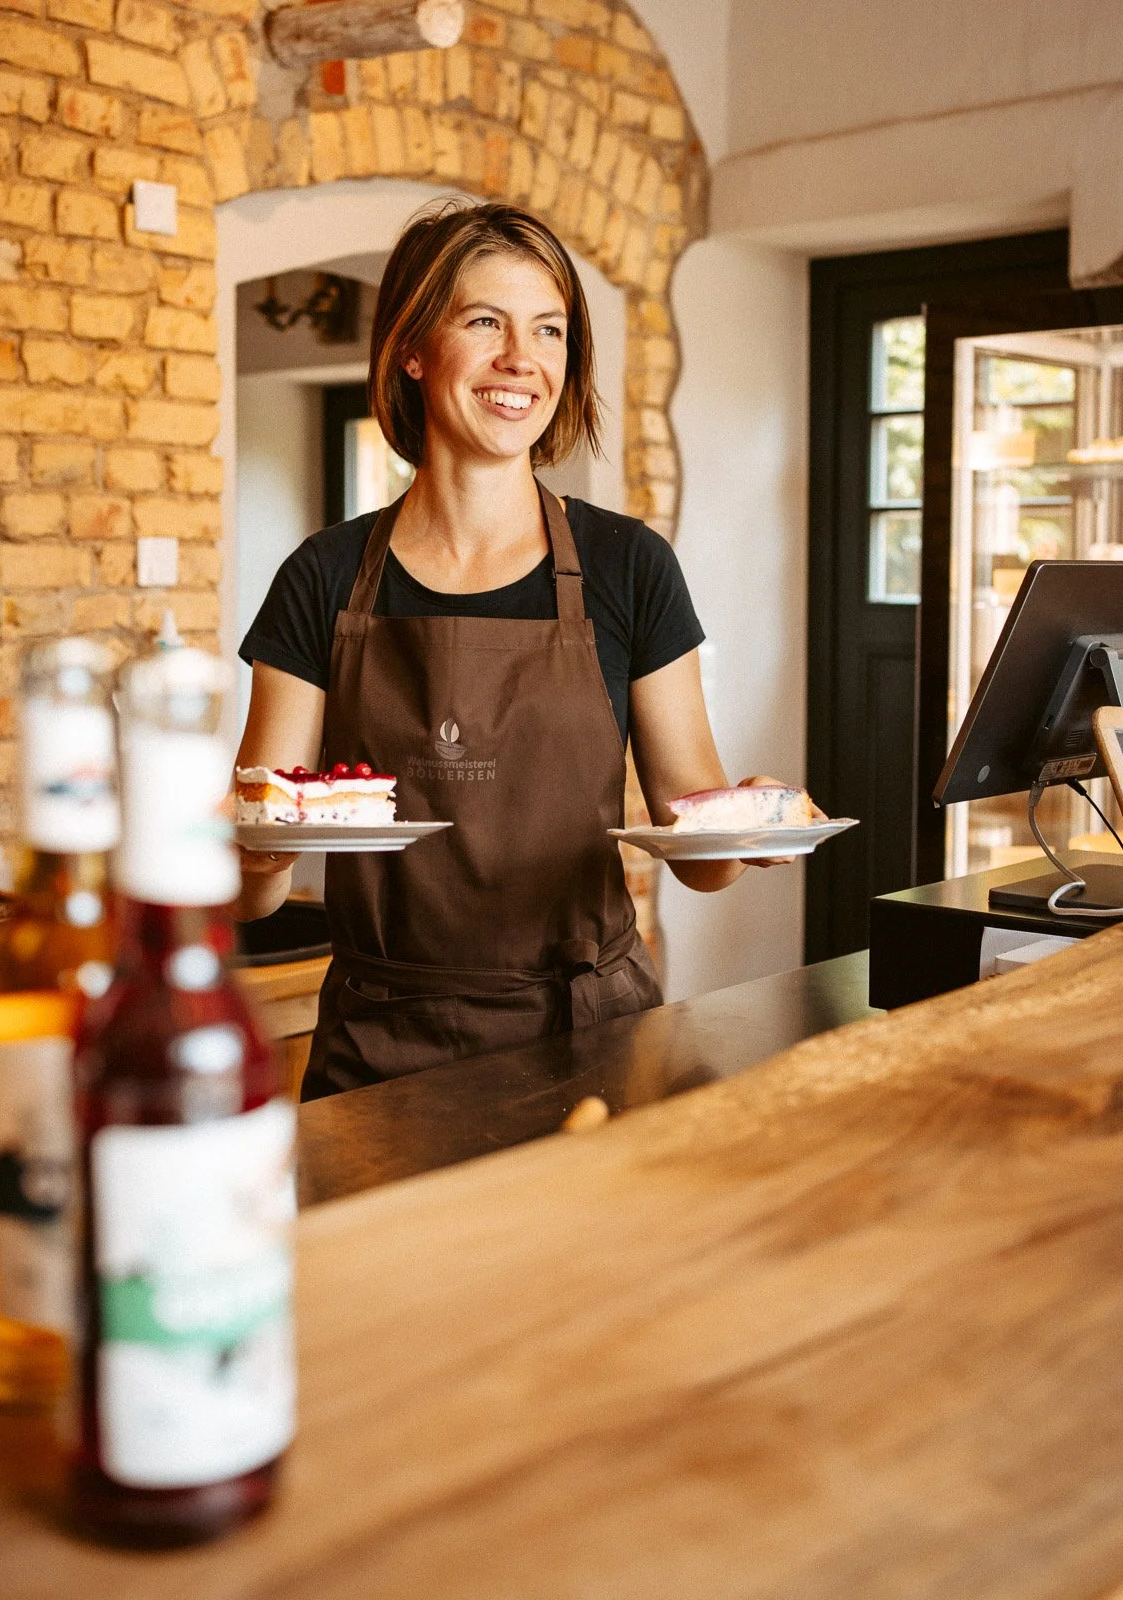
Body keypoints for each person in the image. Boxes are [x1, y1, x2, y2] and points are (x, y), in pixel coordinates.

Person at [235, 201, 790, 1095]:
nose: (521, 359)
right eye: (484, 322)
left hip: (588, 1035)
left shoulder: (629, 565)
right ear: (412, 350)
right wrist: (260, 857)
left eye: (549, 330)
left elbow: (705, 861)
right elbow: (252, 882)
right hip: (380, 1045)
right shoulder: (322, 576)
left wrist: (746, 826)